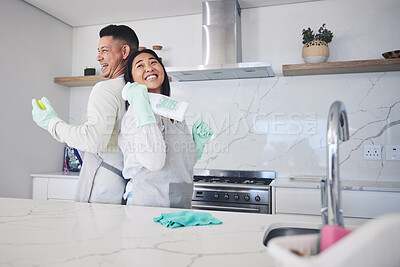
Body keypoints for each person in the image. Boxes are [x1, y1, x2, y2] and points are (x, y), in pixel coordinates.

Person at [31, 25, 139, 204]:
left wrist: (52, 123)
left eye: (104, 50)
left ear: (125, 51)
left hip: (101, 185)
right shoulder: (137, 91)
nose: (98, 57)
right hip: (123, 186)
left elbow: (94, 140)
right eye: (98, 51)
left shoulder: (106, 89)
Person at [118, 49, 213, 208]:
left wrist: (197, 146)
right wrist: (142, 106)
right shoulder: (135, 115)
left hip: (179, 201)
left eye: (153, 62)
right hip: (148, 203)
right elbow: (154, 161)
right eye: (140, 65)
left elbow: (180, 163)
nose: (149, 67)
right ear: (132, 80)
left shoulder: (173, 113)